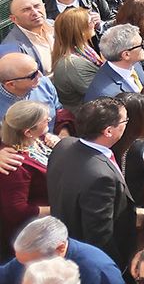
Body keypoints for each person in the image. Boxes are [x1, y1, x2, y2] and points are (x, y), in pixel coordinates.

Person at [46, 96, 137, 269]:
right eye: (125, 121)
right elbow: (100, 236)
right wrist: (113, 269)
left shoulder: (63, 146)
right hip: (96, 263)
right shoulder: (101, 178)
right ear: (108, 131)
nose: (126, 124)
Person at [0, 101, 51, 256]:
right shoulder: (14, 165)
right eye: (45, 120)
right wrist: (59, 209)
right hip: (33, 236)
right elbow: (17, 211)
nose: (49, 120)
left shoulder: (36, 141)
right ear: (28, 132)